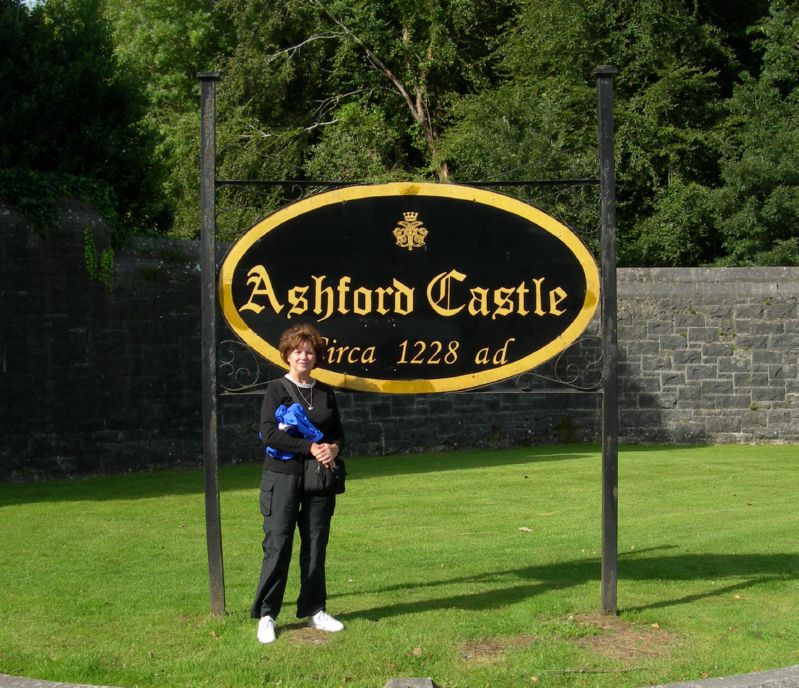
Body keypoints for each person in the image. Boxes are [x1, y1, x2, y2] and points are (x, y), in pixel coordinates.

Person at [250, 323, 346, 644]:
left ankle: (315, 609)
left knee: (316, 544)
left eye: (309, 351)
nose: (303, 356)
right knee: (278, 545)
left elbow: (338, 434)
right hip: (282, 477)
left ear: (316, 357)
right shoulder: (276, 389)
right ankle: (268, 614)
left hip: (318, 479)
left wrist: (332, 449)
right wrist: (310, 447)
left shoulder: (325, 392)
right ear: (287, 355)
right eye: (297, 351)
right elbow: (269, 434)